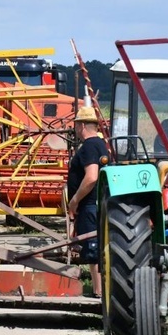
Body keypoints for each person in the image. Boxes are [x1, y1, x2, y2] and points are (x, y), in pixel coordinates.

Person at [67, 106, 109, 297]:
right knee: (97, 246)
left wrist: (74, 200)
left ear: (82, 125)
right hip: (97, 204)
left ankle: (99, 291)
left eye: (76, 125)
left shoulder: (90, 146)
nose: (75, 129)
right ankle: (100, 289)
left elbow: (91, 177)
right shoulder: (101, 144)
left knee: (92, 247)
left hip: (89, 205)